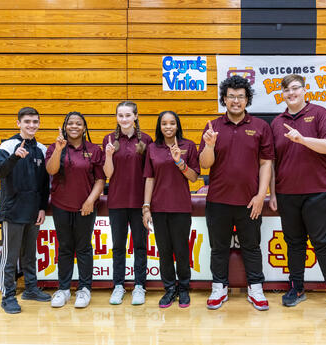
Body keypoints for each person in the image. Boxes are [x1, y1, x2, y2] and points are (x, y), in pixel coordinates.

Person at [269, 74, 326, 314]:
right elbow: (271, 162)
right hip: (286, 194)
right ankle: (297, 288)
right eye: (286, 90)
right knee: (294, 244)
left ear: (304, 90)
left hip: (318, 192)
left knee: (323, 244)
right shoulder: (276, 123)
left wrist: (302, 140)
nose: (291, 93)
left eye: (295, 88)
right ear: (282, 94)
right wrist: (272, 193)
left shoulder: (320, 113)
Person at [199, 75, 274, 311]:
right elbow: (204, 164)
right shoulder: (213, 127)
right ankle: (219, 288)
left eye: (240, 97)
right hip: (218, 201)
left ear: (247, 100)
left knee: (251, 246)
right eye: (231, 96)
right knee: (218, 248)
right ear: (224, 98)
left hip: (249, 201)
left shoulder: (261, 127)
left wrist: (261, 195)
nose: (236, 101)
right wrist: (209, 145)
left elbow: (266, 164)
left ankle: (256, 288)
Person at [0, 107, 51, 314]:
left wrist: (42, 207)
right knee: (10, 256)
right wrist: (14, 157)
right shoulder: (8, 145)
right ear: (18, 123)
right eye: (27, 121)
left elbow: (45, 184)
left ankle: (31, 289)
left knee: (29, 255)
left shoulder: (42, 149)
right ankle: (7, 296)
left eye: (35, 121)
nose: (32, 125)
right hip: (13, 211)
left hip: (33, 211)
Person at [45, 111, 105, 309]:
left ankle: (84, 288)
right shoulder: (55, 147)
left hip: (85, 207)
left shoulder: (94, 150)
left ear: (84, 127)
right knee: (65, 247)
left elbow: (100, 179)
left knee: (84, 247)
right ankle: (63, 289)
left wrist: (90, 200)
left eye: (78, 123)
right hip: (61, 205)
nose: (74, 126)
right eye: (70, 123)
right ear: (64, 126)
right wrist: (58, 150)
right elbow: (51, 171)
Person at [142, 111, 200, 308]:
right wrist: (146, 207)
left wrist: (179, 162)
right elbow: (150, 178)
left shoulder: (188, 145)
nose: (168, 127)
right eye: (164, 123)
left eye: (172, 123)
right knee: (164, 251)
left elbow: (193, 177)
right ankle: (169, 289)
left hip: (181, 207)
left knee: (182, 250)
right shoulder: (152, 148)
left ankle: (183, 288)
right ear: (159, 126)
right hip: (159, 208)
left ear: (177, 126)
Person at [103, 101, 152, 306]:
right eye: (120, 115)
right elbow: (107, 174)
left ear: (135, 116)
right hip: (117, 202)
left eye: (127, 115)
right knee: (118, 247)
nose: (124, 119)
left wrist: (147, 205)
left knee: (140, 246)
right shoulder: (109, 140)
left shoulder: (147, 140)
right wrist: (108, 155)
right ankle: (118, 286)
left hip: (140, 202)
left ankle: (139, 286)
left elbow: (150, 173)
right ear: (117, 117)